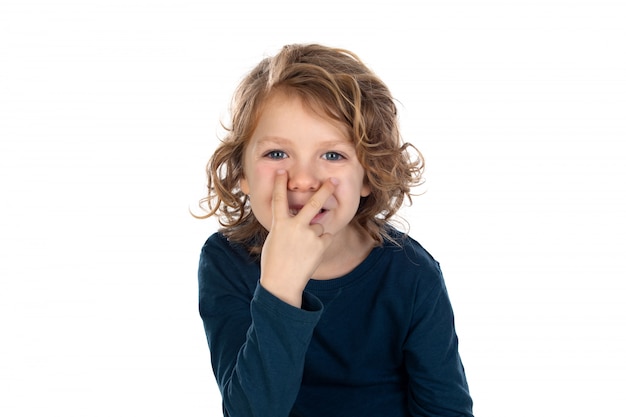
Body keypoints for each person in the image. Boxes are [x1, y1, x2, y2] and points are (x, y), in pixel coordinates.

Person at [196, 43, 473, 417]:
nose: (304, 180)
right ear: (242, 173)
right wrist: (280, 286)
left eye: (333, 155)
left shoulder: (413, 274)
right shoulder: (224, 260)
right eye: (277, 153)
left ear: (368, 176)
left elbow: (446, 409)